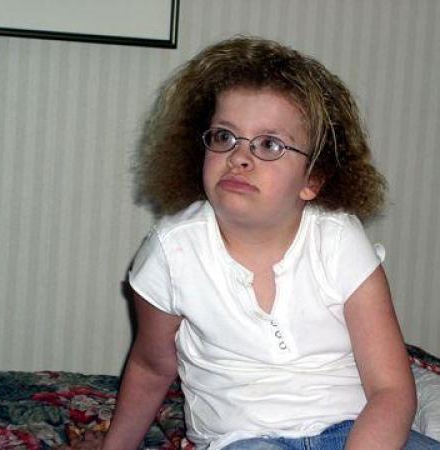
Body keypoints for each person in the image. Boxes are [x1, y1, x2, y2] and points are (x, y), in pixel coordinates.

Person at [71, 37, 440, 449]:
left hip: (356, 431)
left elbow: (391, 390)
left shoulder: (339, 240)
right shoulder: (173, 251)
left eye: (269, 144)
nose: (239, 157)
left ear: (312, 179)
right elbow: (151, 366)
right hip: (246, 438)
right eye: (224, 137)